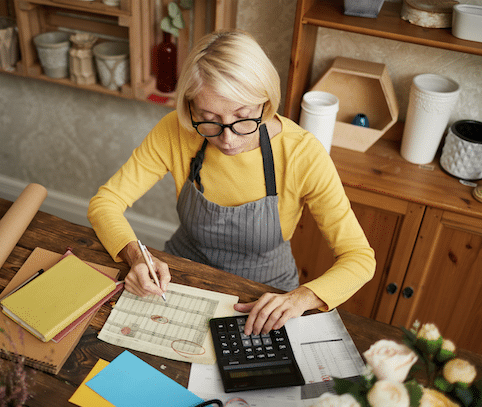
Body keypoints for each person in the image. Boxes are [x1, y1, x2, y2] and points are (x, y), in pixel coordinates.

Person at [88, 29, 376, 336]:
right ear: (190, 108)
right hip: (182, 281)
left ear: (265, 102)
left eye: (242, 117)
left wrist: (301, 298)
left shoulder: (302, 153)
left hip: (266, 297)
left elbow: (359, 258)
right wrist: (136, 257)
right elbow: (105, 203)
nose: (227, 139)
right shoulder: (175, 130)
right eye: (209, 119)